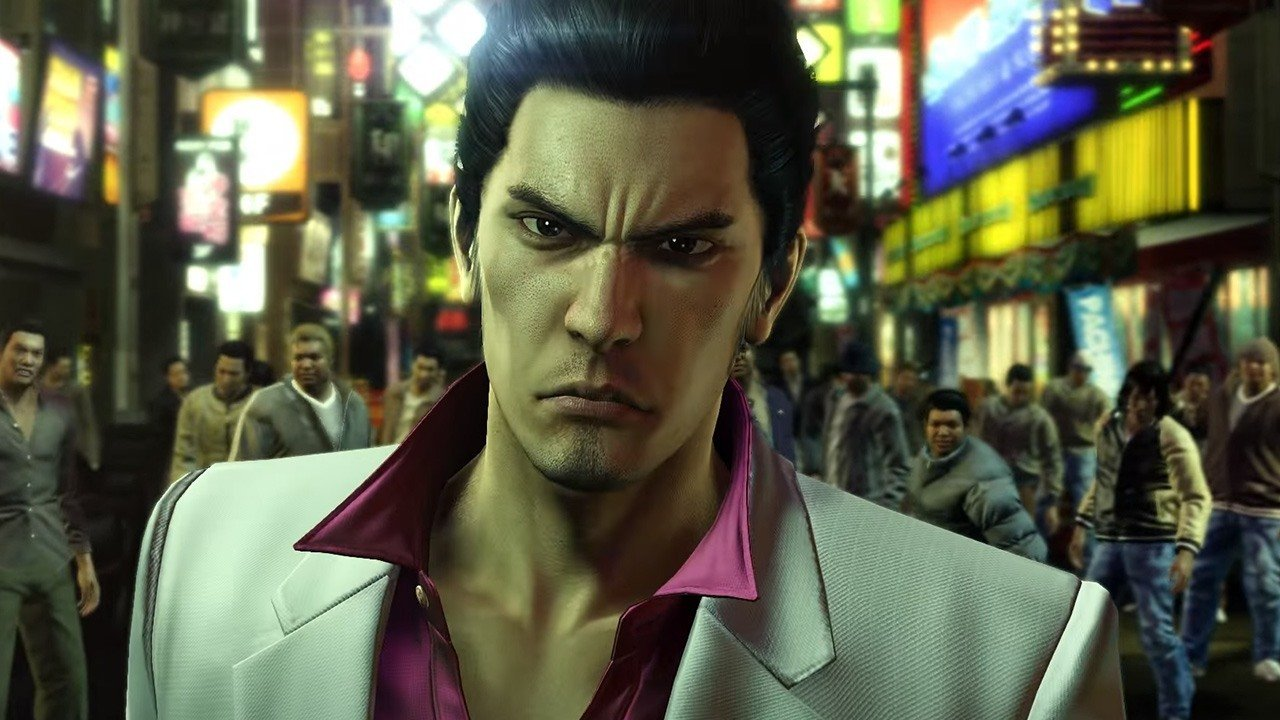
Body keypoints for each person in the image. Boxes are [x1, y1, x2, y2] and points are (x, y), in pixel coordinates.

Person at [126, 3, 1123, 717]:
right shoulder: (202, 559)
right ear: (465, 236)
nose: (602, 318)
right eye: (547, 229)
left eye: (682, 247)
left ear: (774, 282)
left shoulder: (1005, 663)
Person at [1070, 361, 1210, 720]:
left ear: (1159, 399)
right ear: (1124, 395)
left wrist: (1186, 549)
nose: (1139, 403)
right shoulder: (1108, 427)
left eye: (1148, 397)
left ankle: (1176, 708)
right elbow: (1102, 480)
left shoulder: (1171, 435)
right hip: (1109, 540)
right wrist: (1082, 524)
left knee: (1157, 634)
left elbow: (1195, 496)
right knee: (1085, 626)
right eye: (1134, 395)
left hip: (1152, 543)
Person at [0, 320, 98, 719]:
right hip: (2, 558)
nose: (28, 359)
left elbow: (67, 491)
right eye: (19, 350)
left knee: (67, 681)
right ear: (3, 352)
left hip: (50, 555)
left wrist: (84, 558)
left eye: (36, 353)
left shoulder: (59, 410)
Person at [1182, 338, 1280, 683]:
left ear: (1273, 368)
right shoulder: (1222, 396)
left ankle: (1268, 653)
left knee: (1265, 586)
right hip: (1219, 502)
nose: (1253, 367)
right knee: (1201, 582)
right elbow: (1198, 426)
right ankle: (1191, 655)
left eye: (1261, 362)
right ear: (1239, 365)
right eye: (1248, 361)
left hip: (1264, 509)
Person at [907, 389, 1047, 562]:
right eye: (935, 424)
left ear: (966, 427)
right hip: (928, 562)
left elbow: (1023, 548)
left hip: (963, 569)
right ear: (925, 426)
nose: (942, 432)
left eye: (951, 425)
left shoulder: (984, 477)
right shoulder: (924, 460)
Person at [229, 324, 373, 460]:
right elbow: (242, 465)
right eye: (299, 358)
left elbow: (368, 460)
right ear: (290, 361)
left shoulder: (354, 404)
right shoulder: (266, 404)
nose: (306, 365)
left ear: (330, 359)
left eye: (314, 357)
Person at [974, 364, 1065, 538]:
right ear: (1007, 387)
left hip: (1024, 485)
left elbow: (1053, 460)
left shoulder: (1039, 418)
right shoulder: (988, 409)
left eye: (1025, 393)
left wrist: (1052, 501)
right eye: (1016, 392)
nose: (1021, 397)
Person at [822, 340, 912, 511]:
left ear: (868, 375)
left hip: (867, 503)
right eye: (847, 373)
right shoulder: (835, 399)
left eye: (856, 373)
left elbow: (899, 465)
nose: (849, 378)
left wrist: (887, 506)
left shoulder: (883, 408)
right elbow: (830, 446)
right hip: (833, 500)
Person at [1043, 351, 1111, 572]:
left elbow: (1108, 422)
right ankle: (1038, 559)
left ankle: (1089, 564)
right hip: (1057, 449)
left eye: (1086, 370)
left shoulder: (1096, 395)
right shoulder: (1055, 389)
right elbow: (1043, 419)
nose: (1082, 374)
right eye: (1079, 369)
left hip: (1084, 451)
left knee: (1085, 509)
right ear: (1071, 368)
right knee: (1045, 503)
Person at [169, 341, 256, 483]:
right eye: (222, 371)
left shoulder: (260, 402)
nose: (226, 379)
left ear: (247, 373)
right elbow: (183, 455)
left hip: (248, 482)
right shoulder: (195, 402)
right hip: (204, 483)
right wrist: (186, 487)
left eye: (234, 374)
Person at [38, 349, 101, 473]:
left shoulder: (76, 391)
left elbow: (88, 423)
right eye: (63, 367)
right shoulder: (35, 389)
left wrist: (93, 457)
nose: (67, 371)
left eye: (68, 367)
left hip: (72, 450)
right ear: (51, 366)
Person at [731, 344, 795, 464]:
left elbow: (787, 447)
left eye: (743, 349)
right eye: (730, 349)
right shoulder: (712, 406)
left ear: (754, 354)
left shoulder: (777, 399)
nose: (738, 356)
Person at [380, 344, 448, 446]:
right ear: (412, 365)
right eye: (420, 367)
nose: (424, 374)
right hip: (388, 452)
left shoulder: (441, 400)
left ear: (438, 372)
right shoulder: (394, 393)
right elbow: (384, 430)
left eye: (430, 370)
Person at [797, 363, 841, 476]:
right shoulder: (821, 397)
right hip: (821, 457)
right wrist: (815, 468)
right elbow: (811, 432)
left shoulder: (832, 396)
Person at [147, 356, 190, 463]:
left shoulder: (193, 397)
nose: (181, 377)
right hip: (170, 456)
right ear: (167, 377)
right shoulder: (160, 402)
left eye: (183, 372)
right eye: (176, 374)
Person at [889, 361, 927, 457]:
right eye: (905, 378)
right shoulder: (885, 403)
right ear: (895, 378)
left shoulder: (918, 404)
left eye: (913, 379)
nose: (910, 383)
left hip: (914, 457)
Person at [1171, 365, 1212, 454]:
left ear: (1208, 387)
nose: (1195, 389)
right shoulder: (1174, 404)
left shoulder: (1213, 407)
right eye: (1192, 384)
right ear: (1184, 384)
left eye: (1200, 385)